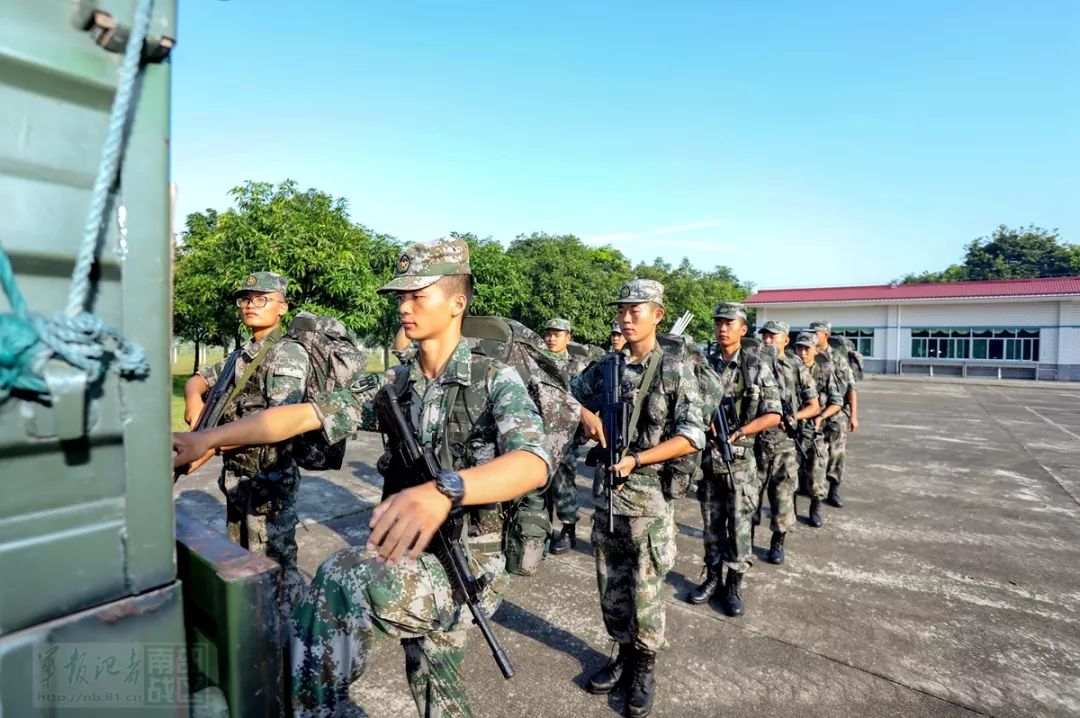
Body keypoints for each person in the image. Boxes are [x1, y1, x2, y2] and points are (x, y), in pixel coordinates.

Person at [173, 238, 551, 718]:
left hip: (466, 561)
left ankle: (305, 707)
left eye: (418, 295)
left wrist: (447, 490)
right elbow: (303, 415)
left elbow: (533, 461)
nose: (404, 307)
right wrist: (208, 439)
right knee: (435, 683)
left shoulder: (493, 378)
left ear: (457, 302)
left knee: (344, 576)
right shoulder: (394, 382)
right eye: (400, 297)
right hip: (411, 549)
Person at [570, 279, 704, 718]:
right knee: (611, 587)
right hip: (608, 497)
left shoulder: (674, 369)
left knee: (645, 590)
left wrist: (639, 459)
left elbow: (691, 436)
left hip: (648, 501)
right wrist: (585, 414)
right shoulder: (606, 366)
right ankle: (622, 655)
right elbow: (564, 394)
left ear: (658, 315)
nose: (626, 318)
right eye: (622, 310)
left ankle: (644, 668)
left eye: (636, 310)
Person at [182, 271, 309, 621]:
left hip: (269, 483)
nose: (251, 305)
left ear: (283, 307)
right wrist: (194, 398)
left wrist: (208, 445)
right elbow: (198, 380)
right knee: (242, 564)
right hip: (239, 479)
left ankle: (289, 636)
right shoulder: (241, 355)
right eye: (246, 299)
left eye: (261, 299)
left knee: (274, 569)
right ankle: (255, 633)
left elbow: (278, 424)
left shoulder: (286, 354)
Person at [689, 303, 780, 616]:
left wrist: (740, 432)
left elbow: (774, 413)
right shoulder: (704, 365)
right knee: (711, 525)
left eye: (730, 323)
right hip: (708, 462)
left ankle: (734, 585)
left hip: (740, 465)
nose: (723, 328)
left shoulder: (755, 366)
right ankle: (712, 578)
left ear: (743, 328)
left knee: (740, 527)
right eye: (719, 323)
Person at [754, 321, 819, 564]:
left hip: (783, 445)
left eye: (773, 336)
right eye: (765, 336)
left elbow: (814, 406)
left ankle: (777, 543)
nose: (767, 340)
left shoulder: (796, 367)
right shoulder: (752, 364)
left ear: (786, 340)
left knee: (782, 498)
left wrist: (794, 417)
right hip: (754, 443)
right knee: (748, 498)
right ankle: (744, 542)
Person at [543, 318, 589, 554]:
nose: (551, 338)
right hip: (539, 433)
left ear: (568, 338)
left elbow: (587, 403)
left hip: (565, 436)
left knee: (563, 485)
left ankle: (568, 531)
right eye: (548, 334)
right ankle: (539, 530)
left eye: (557, 334)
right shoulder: (536, 362)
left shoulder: (577, 367)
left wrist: (579, 434)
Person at [792, 332, 843, 527]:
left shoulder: (825, 371)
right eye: (799, 348)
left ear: (817, 350)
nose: (803, 353)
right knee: (790, 473)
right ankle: (790, 511)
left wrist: (821, 417)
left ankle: (815, 509)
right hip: (792, 431)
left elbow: (837, 401)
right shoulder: (789, 370)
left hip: (815, 432)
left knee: (817, 473)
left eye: (807, 348)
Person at [808, 321, 859, 508]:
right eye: (811, 332)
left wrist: (854, 415)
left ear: (826, 335)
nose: (813, 336)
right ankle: (815, 497)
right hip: (814, 414)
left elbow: (851, 388)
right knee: (816, 456)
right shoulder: (808, 354)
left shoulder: (838, 358)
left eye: (816, 333)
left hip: (837, 415)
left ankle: (834, 490)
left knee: (837, 455)